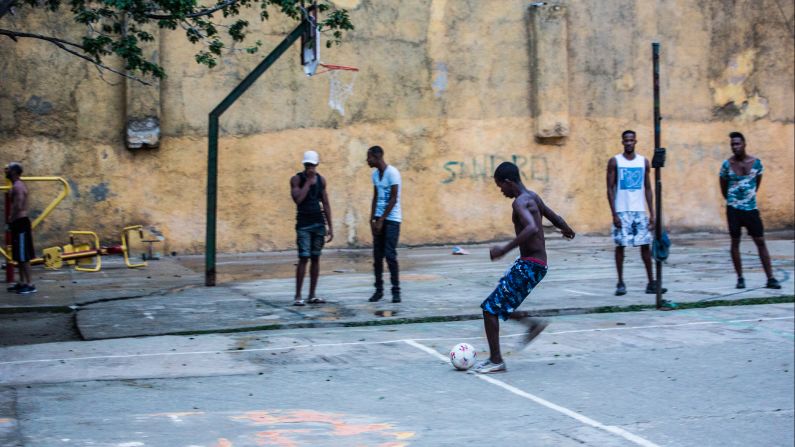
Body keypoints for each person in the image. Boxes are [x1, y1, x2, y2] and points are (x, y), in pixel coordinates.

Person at [472, 162, 575, 374]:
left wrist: (503, 249)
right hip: (535, 264)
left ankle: (496, 360)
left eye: (500, 186)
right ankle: (531, 325)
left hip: (530, 264)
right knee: (499, 304)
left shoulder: (519, 202)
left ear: (509, 182)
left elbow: (531, 227)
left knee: (489, 309)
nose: (501, 191)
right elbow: (553, 216)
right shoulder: (533, 197)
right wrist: (567, 228)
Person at [719, 132, 781, 289]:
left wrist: (748, 198)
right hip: (733, 209)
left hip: (751, 209)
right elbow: (723, 186)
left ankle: (770, 278)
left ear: (744, 144)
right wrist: (732, 200)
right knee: (735, 241)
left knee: (760, 241)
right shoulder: (727, 165)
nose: (735, 147)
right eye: (732, 144)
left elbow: (757, 183)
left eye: (737, 143)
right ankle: (740, 278)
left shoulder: (756, 163)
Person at [606, 130, 664, 296]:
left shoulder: (643, 162)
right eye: (626, 140)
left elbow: (648, 188)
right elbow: (609, 188)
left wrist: (652, 213)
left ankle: (651, 282)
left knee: (645, 246)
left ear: (635, 141)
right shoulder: (615, 161)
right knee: (620, 246)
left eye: (631, 140)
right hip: (622, 210)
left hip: (639, 211)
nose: (629, 143)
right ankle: (620, 282)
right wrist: (614, 214)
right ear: (622, 142)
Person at [290, 150, 333, 306]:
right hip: (303, 225)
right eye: (307, 165)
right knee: (303, 257)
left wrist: (330, 226)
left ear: (317, 165)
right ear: (304, 165)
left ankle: (312, 295)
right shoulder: (297, 179)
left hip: (318, 224)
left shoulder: (321, 181)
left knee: (315, 258)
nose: (310, 168)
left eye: (312, 165)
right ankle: (298, 296)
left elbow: (326, 203)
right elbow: (298, 200)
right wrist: (308, 183)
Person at [366, 145, 402, 303]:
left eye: (369, 157)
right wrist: (373, 219)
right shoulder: (375, 175)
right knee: (377, 257)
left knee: (390, 255)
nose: (367, 160)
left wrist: (382, 220)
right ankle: (378, 290)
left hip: (392, 220)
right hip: (379, 219)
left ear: (378, 156)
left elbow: (393, 198)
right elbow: (375, 197)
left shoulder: (393, 173)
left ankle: (396, 291)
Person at [5, 162, 36, 294]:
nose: (6, 171)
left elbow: (18, 206)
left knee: (24, 256)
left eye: (9, 169)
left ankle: (30, 284)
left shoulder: (18, 186)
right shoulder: (16, 186)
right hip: (19, 223)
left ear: (15, 172)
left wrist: (10, 221)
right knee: (19, 255)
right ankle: (22, 282)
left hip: (21, 222)